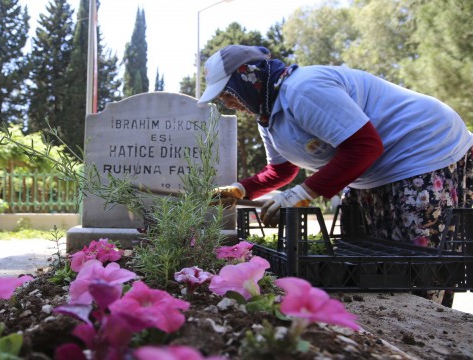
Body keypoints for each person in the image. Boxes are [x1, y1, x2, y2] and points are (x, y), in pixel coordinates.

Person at [201, 45, 473, 252]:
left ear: (247, 77)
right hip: (372, 170)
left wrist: (303, 193)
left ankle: (428, 324)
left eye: (227, 93)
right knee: (369, 252)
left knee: (416, 257)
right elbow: (281, 171)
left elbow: (364, 146)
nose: (228, 103)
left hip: (424, 147)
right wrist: (241, 189)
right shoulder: (267, 116)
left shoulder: (303, 89)